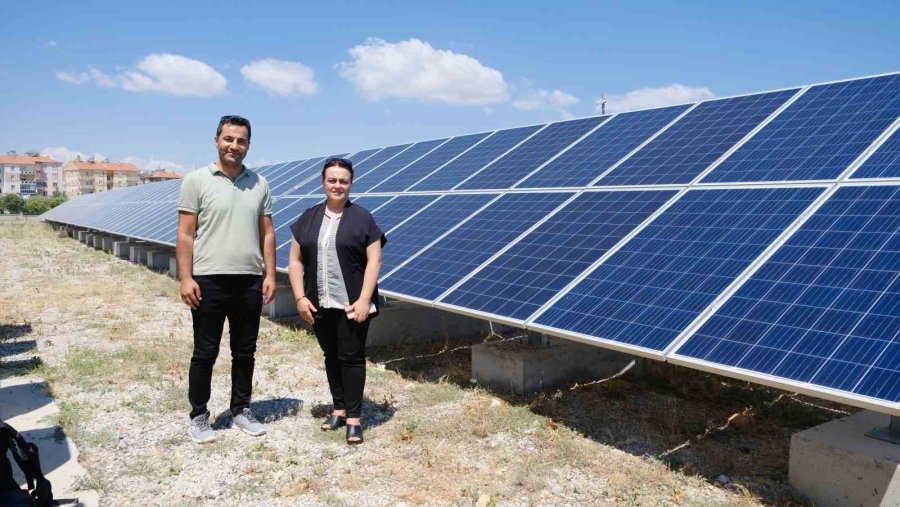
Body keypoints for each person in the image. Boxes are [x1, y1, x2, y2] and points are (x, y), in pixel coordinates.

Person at [176, 115, 276, 443]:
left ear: (248, 145)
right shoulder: (196, 180)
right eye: (229, 139)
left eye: (241, 141)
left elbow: (267, 233)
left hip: (248, 281)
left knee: (245, 351)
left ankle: (241, 409)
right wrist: (186, 277)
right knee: (205, 351)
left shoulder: (259, 183)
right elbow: (185, 234)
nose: (234, 146)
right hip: (208, 281)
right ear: (217, 140)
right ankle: (199, 415)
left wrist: (270, 274)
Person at [287, 157, 385, 445]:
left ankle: (354, 418)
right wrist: (300, 298)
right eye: (332, 180)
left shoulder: (363, 217)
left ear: (351, 184)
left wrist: (365, 300)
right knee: (331, 356)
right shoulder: (309, 216)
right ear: (323, 182)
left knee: (352, 358)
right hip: (318, 304)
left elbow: (374, 259)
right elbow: (294, 260)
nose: (337, 185)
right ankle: (339, 408)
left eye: (343, 180)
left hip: (352, 304)